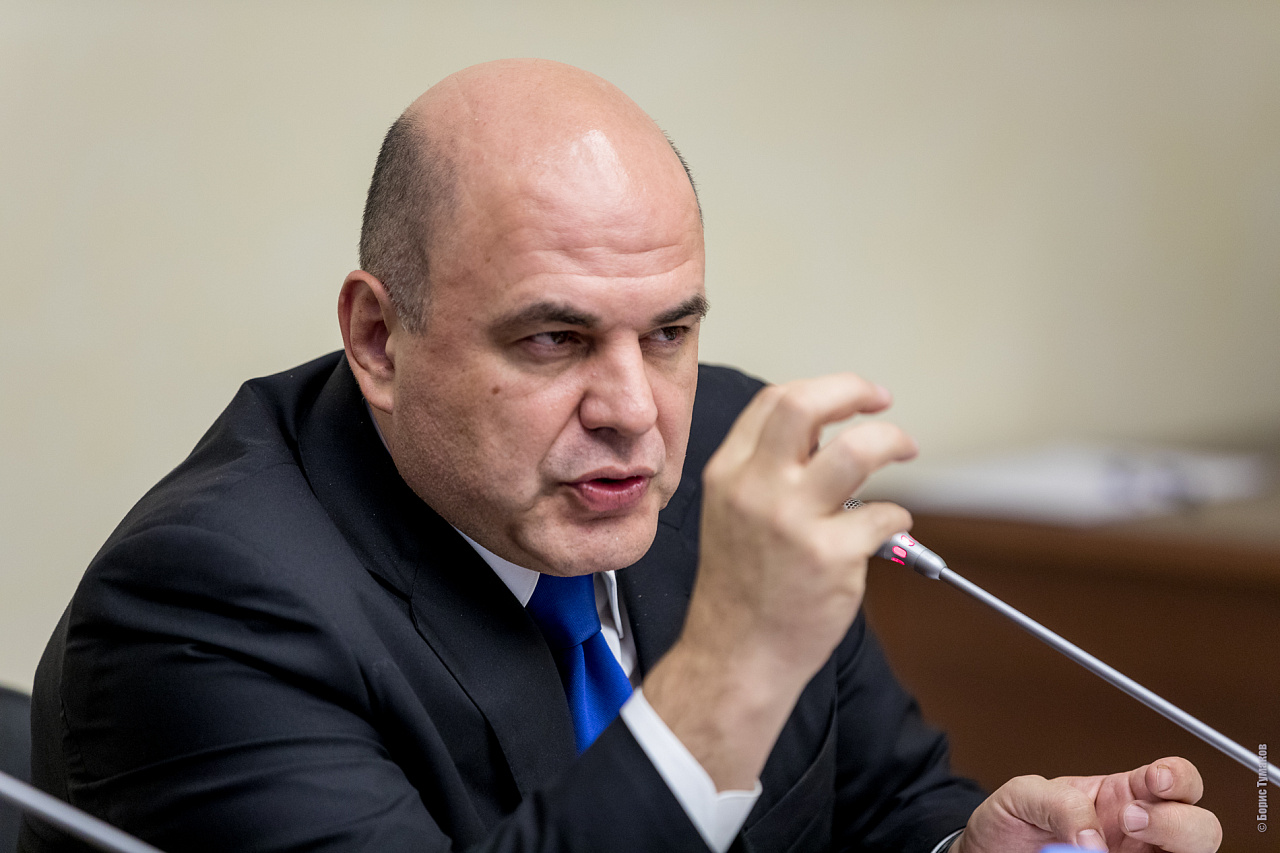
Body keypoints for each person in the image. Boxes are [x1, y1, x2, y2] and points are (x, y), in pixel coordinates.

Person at [23, 59, 1222, 853]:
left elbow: (883, 806)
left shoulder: (730, 453)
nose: (635, 414)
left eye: (669, 333)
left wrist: (970, 845)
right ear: (380, 339)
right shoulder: (207, 602)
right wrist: (729, 671)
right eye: (553, 340)